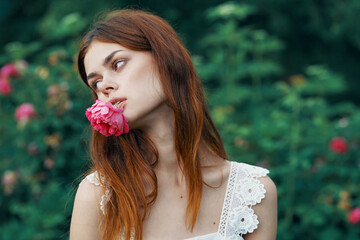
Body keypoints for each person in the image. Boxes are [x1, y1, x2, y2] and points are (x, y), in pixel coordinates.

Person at [69, 9, 277, 240]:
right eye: (95, 82)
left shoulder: (251, 193)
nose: (105, 86)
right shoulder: (99, 194)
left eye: (117, 64)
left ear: (164, 58)